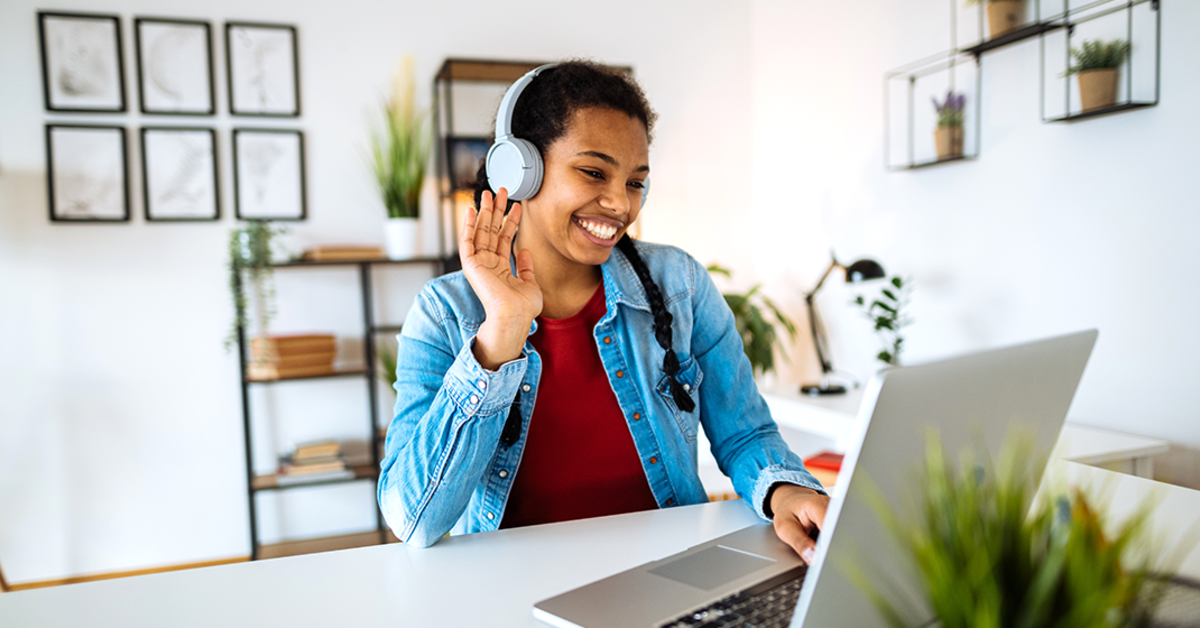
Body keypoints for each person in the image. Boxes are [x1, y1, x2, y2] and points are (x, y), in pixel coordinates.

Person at [377, 60, 829, 561]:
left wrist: (785, 491)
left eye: (636, 182)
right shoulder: (443, 312)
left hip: (667, 572)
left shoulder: (678, 283)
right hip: (509, 590)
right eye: (594, 172)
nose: (621, 204)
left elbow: (745, 433)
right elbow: (411, 518)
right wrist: (500, 333)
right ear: (521, 172)